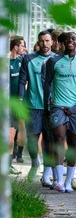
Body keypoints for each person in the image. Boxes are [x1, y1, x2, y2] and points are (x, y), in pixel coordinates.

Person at [43, 32, 76, 192]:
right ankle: (58, 180)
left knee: (72, 144)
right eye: (67, 39)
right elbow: (47, 84)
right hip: (58, 106)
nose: (70, 41)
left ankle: (68, 181)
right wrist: (48, 103)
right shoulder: (53, 61)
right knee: (58, 138)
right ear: (62, 42)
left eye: (73, 39)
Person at [18, 30, 55, 184]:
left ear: (52, 42)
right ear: (38, 42)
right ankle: (35, 162)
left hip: (52, 107)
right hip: (33, 105)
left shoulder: (57, 59)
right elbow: (22, 80)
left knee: (49, 140)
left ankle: (46, 174)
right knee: (32, 139)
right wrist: (20, 98)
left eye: (47, 41)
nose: (45, 44)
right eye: (42, 41)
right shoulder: (29, 58)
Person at [10, 35, 26, 170]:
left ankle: (14, 157)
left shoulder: (21, 61)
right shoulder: (5, 62)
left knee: (16, 130)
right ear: (15, 47)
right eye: (21, 46)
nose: (23, 48)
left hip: (18, 103)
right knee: (9, 131)